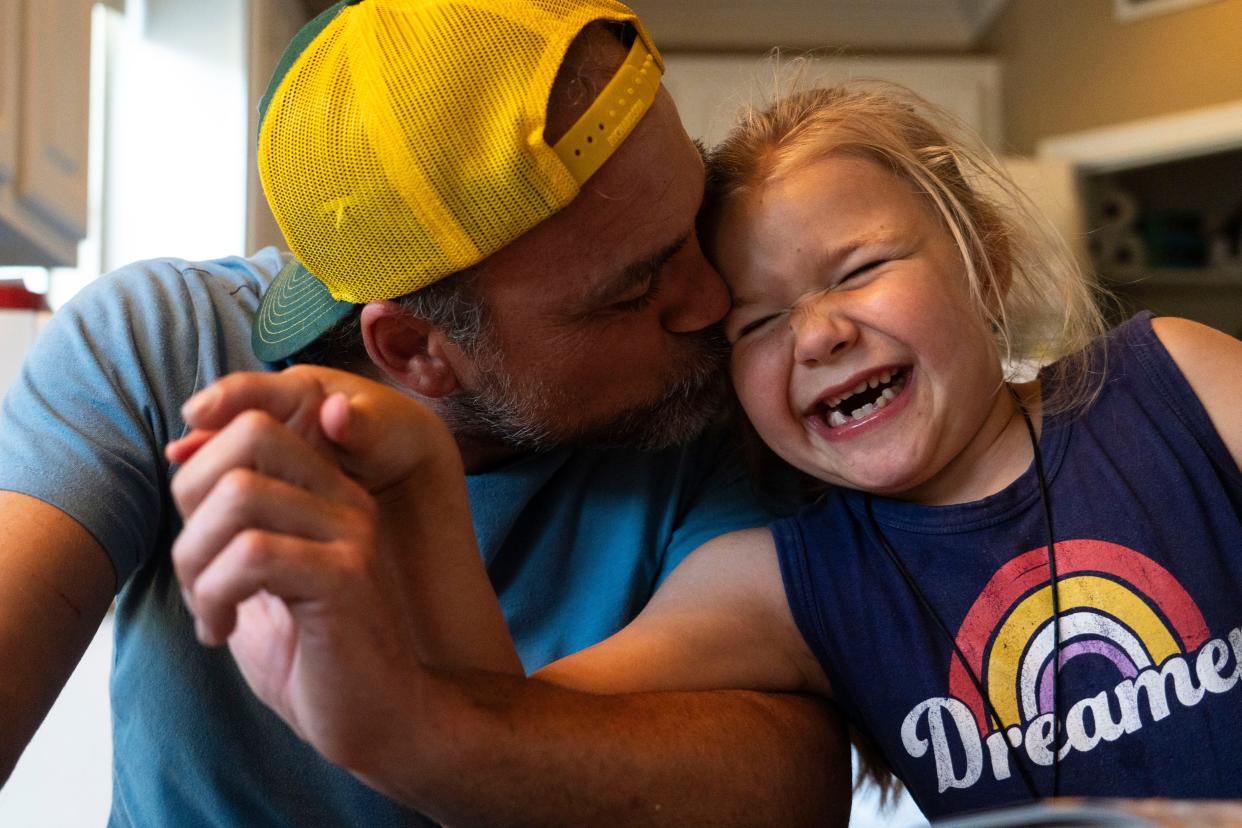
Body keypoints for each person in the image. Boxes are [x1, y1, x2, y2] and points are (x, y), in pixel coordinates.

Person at [171, 81, 1242, 821]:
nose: (817, 331)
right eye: (757, 322)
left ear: (983, 256)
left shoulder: (1177, 384)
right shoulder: (788, 580)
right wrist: (422, 482)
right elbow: (503, 730)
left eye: (860, 267)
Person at [0, 1, 850, 825]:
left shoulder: (719, 387)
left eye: (692, 221)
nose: (715, 302)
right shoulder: (159, 348)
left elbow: (789, 782)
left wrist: (415, 729)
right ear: (414, 349)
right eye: (637, 289)